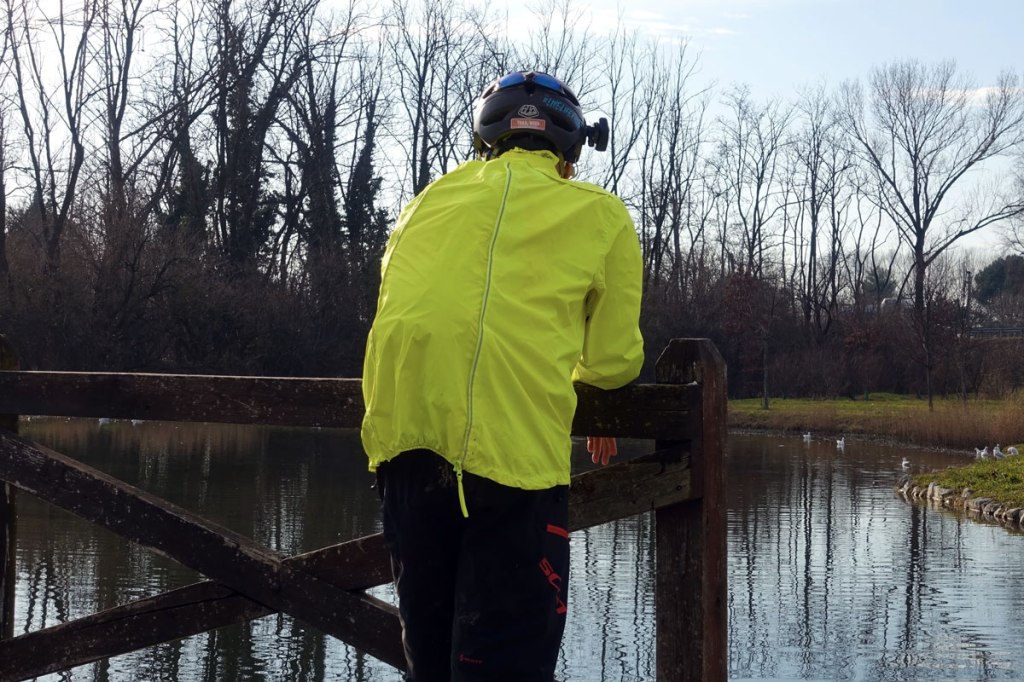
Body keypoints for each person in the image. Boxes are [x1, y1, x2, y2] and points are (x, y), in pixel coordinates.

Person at [361, 70, 644, 681]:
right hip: (514, 465)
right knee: (506, 666)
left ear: (486, 139)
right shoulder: (601, 215)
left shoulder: (426, 202)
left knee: (430, 666)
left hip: (405, 457)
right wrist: (580, 379)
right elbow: (615, 360)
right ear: (570, 151)